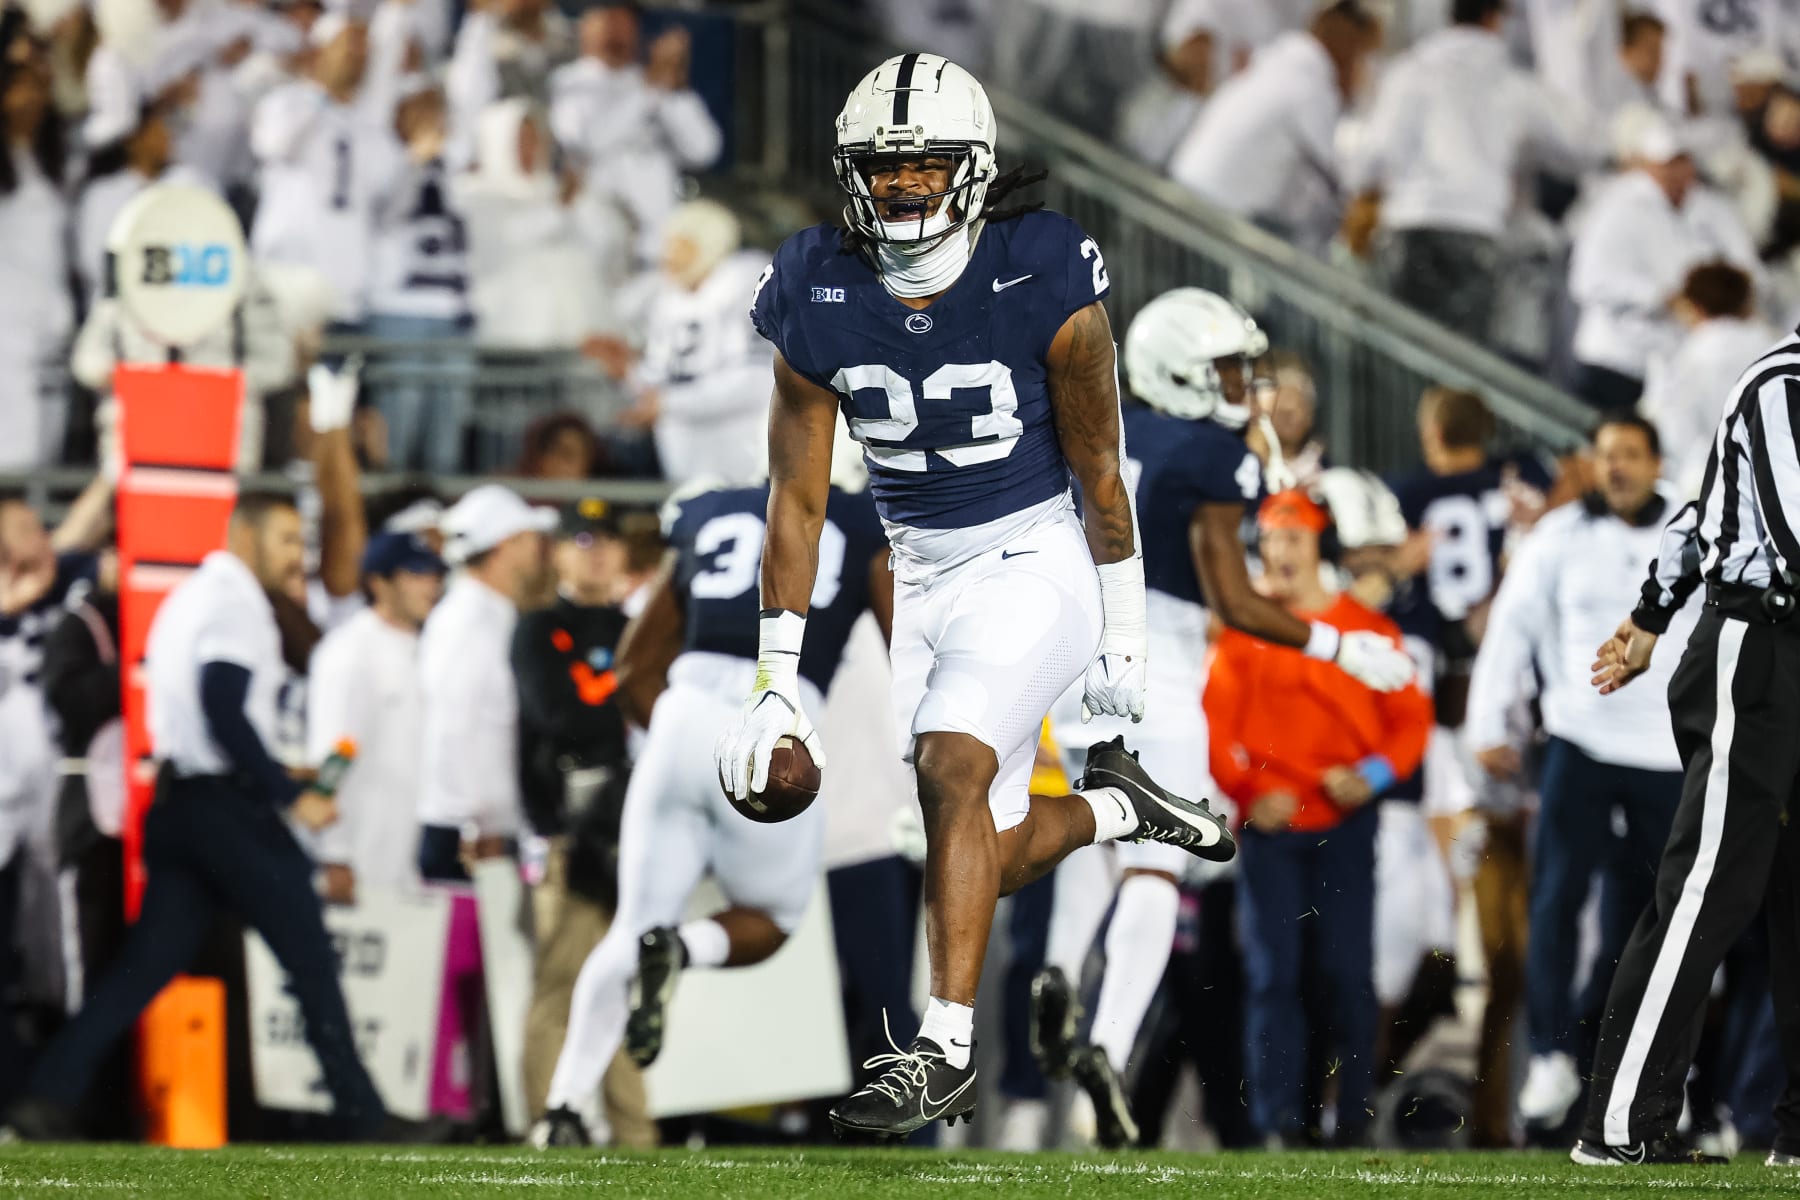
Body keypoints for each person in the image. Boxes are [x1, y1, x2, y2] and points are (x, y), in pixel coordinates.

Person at [717, 53, 1396, 1140]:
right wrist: (774, 685)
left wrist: (1121, 637)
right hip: (925, 567)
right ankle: (1119, 808)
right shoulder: (813, 282)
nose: (899, 189)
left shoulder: (1039, 268)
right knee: (976, 842)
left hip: (1037, 557)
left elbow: (1099, 476)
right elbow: (794, 504)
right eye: (881, 169)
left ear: (973, 170)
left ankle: (940, 1052)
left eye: (924, 165)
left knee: (948, 765)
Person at [1032, 288, 1415, 1148]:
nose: (1247, 383)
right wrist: (1337, 646)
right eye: (1230, 369)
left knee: (1094, 828)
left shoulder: (1108, 422)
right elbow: (1234, 598)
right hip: (1155, 653)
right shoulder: (1209, 451)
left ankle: (1058, 969)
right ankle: (1105, 1041)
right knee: (1157, 864)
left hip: (1069, 643)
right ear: (1183, 370)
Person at [533, 424, 892, 1147]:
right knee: (774, 914)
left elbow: (634, 668)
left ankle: (563, 1111)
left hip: (685, 712)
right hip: (779, 726)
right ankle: (687, 950)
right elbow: (907, 651)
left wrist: (675, 737)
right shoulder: (864, 521)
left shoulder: (713, 510)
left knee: (631, 926)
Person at [1, 493, 387, 1141]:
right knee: (310, 956)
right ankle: (363, 1119)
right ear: (244, 537)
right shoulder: (237, 602)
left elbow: (208, 712)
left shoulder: (194, 596)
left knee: (145, 969)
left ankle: (47, 1094)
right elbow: (223, 705)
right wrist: (288, 795)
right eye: (286, 539)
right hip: (224, 807)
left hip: (182, 803)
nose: (299, 554)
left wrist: (269, 771)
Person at [1575, 324, 1800, 1167]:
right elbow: (1788, 524)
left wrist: (1651, 610)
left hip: (1781, 646)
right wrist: (1656, 614)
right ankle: (1622, 1122)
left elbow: (1702, 511)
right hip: (1761, 648)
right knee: (1709, 885)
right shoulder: (1783, 382)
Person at [1467, 413, 1697, 1136]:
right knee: (1556, 897)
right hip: (1578, 740)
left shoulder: (1693, 533)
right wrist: (1487, 723)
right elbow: (1513, 624)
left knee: (1659, 915)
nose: (1618, 467)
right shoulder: (1560, 534)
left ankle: (1636, 1058)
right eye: (1605, 455)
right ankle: (1550, 1055)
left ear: (1656, 461)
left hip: (1667, 752)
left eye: (1631, 454)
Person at [1205, 489, 1434, 1148]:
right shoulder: (1246, 629)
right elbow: (1216, 725)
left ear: (1319, 548)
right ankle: (1278, 1122)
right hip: (1272, 827)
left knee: (1347, 975)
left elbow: (1411, 720)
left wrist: (1373, 776)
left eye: (1293, 538)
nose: (1278, 551)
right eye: (1271, 539)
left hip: (1344, 823)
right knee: (1273, 976)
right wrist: (1248, 791)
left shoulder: (1369, 631)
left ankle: (1352, 1117)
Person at [512, 497, 654, 1146]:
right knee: (561, 986)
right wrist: (628, 713)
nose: (596, 553)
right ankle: (547, 1121)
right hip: (570, 834)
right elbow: (557, 716)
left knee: (620, 986)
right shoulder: (539, 629)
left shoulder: (643, 625)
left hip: (635, 834)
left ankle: (635, 1134)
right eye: (582, 540)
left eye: (606, 541)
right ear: (560, 552)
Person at [1342, 0, 1596, 343]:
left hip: (1411, 224)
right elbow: (1578, 143)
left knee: (1403, 356)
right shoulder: (1511, 81)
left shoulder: (1411, 71)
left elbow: (1374, 157)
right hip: (1476, 231)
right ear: (1493, 19)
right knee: (1459, 367)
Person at [1568, 106, 1762, 410]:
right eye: (1664, 163)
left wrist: (1722, 301)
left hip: (1681, 366)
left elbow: (1747, 271)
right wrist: (1663, 296)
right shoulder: (1617, 206)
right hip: (1617, 359)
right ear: (1648, 165)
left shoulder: (1716, 210)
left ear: (1691, 165)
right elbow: (1589, 280)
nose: (1672, 172)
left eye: (1679, 162)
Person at [417, 484, 555, 882]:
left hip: (486, 826)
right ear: (504, 546)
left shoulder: (487, 615)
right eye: (529, 541)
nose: (538, 553)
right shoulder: (467, 622)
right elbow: (456, 726)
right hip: (471, 834)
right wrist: (478, 822)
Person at [1166, 2, 1380, 252]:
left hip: (1189, 194)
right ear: (1349, 50)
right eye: (1365, 57)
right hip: (1214, 215)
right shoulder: (1309, 87)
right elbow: (1343, 174)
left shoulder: (1276, 62)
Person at [305, 531, 445, 903]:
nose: (431, 586)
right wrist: (333, 853)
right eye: (416, 575)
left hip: (403, 861)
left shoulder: (424, 650)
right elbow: (334, 752)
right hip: (358, 859)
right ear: (378, 582)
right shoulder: (350, 652)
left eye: (434, 575)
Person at [600, 200, 774, 486]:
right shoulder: (669, 300)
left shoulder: (746, 290)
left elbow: (758, 381)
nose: (669, 255)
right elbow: (666, 382)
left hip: (742, 449)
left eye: (682, 245)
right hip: (683, 455)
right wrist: (628, 372)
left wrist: (671, 404)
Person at [1641, 262, 1777, 498]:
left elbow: (1670, 432)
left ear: (1694, 306)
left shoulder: (1684, 361)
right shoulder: (1777, 347)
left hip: (1712, 481)